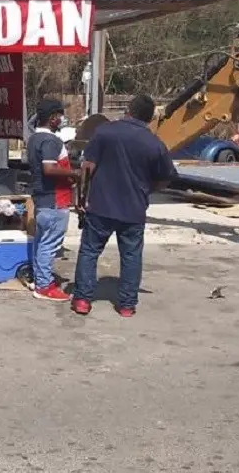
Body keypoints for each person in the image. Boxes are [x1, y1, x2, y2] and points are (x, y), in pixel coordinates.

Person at [71, 94, 177, 318]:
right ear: (149, 119)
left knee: (90, 251)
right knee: (131, 256)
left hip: (101, 205)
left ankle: (82, 300)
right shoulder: (154, 143)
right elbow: (167, 176)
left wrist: (81, 198)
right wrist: (147, 189)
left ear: (128, 110)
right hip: (134, 209)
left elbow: (87, 167)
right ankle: (127, 306)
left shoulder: (105, 132)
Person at [26, 100, 79, 302]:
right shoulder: (51, 141)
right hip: (55, 199)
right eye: (60, 114)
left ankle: (40, 279)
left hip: (43, 200)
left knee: (41, 243)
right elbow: (49, 169)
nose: (62, 118)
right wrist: (74, 173)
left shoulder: (34, 139)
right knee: (49, 245)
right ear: (52, 118)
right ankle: (44, 286)